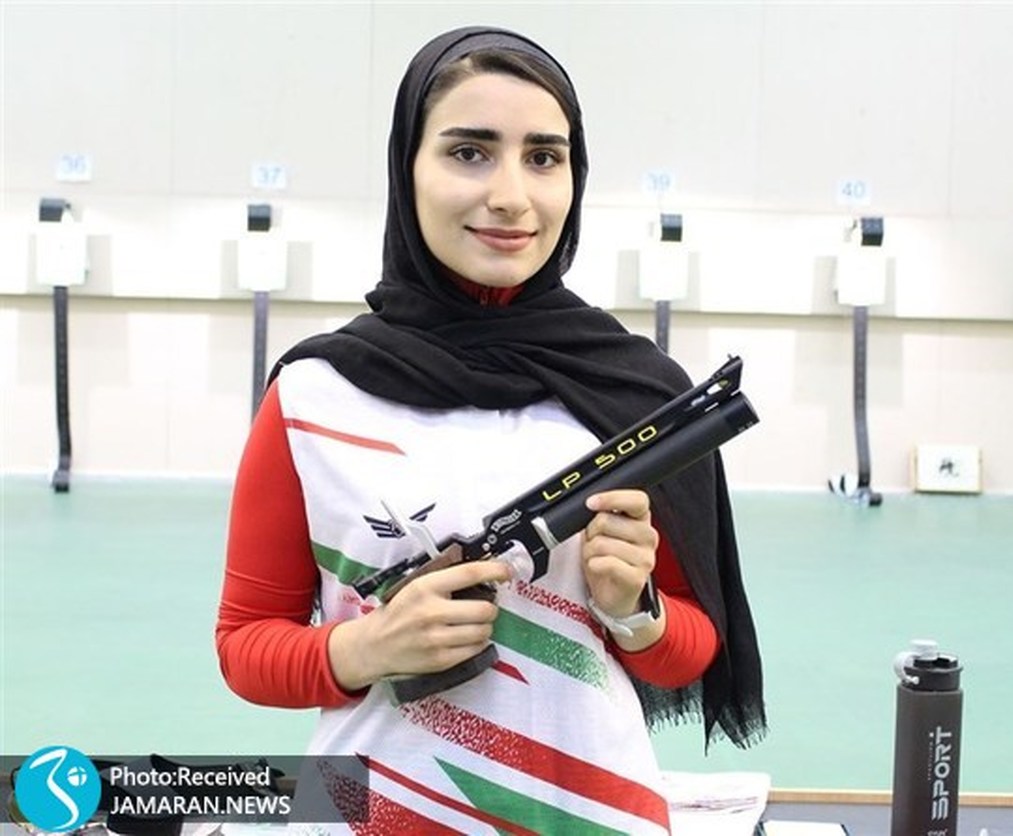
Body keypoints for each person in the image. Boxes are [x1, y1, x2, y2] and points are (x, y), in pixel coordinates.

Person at [216, 25, 765, 834]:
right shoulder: (313, 392)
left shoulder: (640, 397)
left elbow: (689, 649)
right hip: (368, 814)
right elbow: (245, 646)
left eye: (543, 157)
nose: (511, 195)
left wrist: (633, 610)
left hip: (591, 816)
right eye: (469, 152)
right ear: (408, 169)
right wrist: (366, 649)